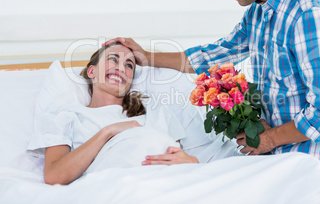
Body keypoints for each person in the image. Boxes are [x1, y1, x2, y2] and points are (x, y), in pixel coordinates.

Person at [105, 0, 320, 188]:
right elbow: (214, 55)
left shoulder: (310, 14)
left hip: (319, 171)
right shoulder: (260, 10)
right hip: (282, 166)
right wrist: (145, 57)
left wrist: (267, 140)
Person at [27, 42, 199, 185]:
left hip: (166, 184)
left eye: (129, 65)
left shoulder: (154, 109)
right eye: (113, 60)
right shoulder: (66, 115)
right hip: (115, 186)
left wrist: (193, 163)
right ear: (91, 71)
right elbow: (54, 176)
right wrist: (107, 132)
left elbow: (179, 157)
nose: (121, 68)